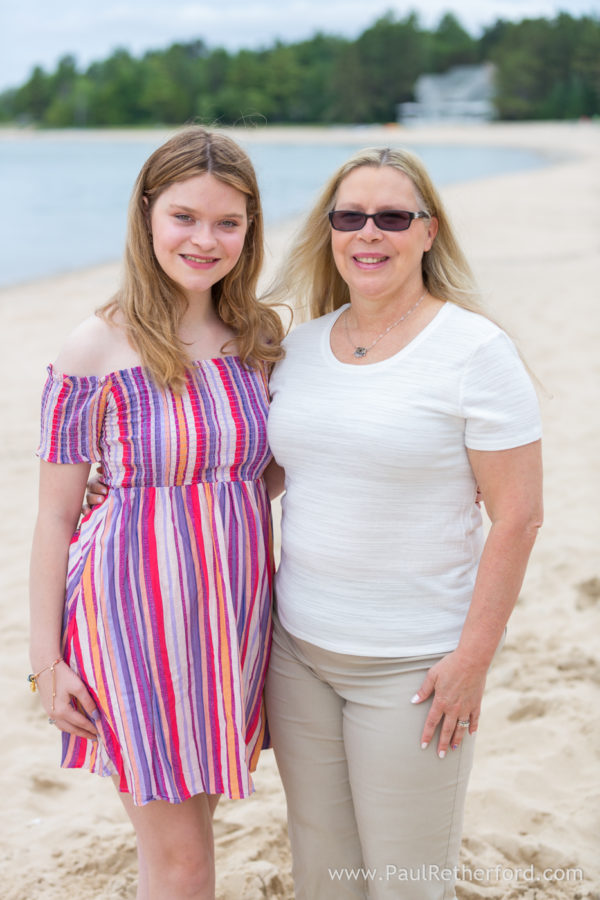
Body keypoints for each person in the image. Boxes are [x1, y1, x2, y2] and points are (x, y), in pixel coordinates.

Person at [263, 147, 543, 899]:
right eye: (350, 217)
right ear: (329, 232)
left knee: (407, 883)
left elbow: (517, 518)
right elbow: (266, 478)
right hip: (297, 656)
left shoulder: (476, 352)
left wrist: (472, 662)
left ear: (428, 231)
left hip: (414, 670)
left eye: (392, 217)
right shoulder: (297, 349)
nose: (369, 233)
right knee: (325, 876)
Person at [28, 126, 284, 899]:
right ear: (146, 217)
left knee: (184, 839)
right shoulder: (95, 348)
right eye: (184, 217)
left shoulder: (261, 340)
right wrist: (46, 664)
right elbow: (54, 519)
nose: (204, 240)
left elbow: (259, 476)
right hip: (135, 621)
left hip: (232, 620)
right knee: (183, 859)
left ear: (250, 228)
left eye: (227, 223)